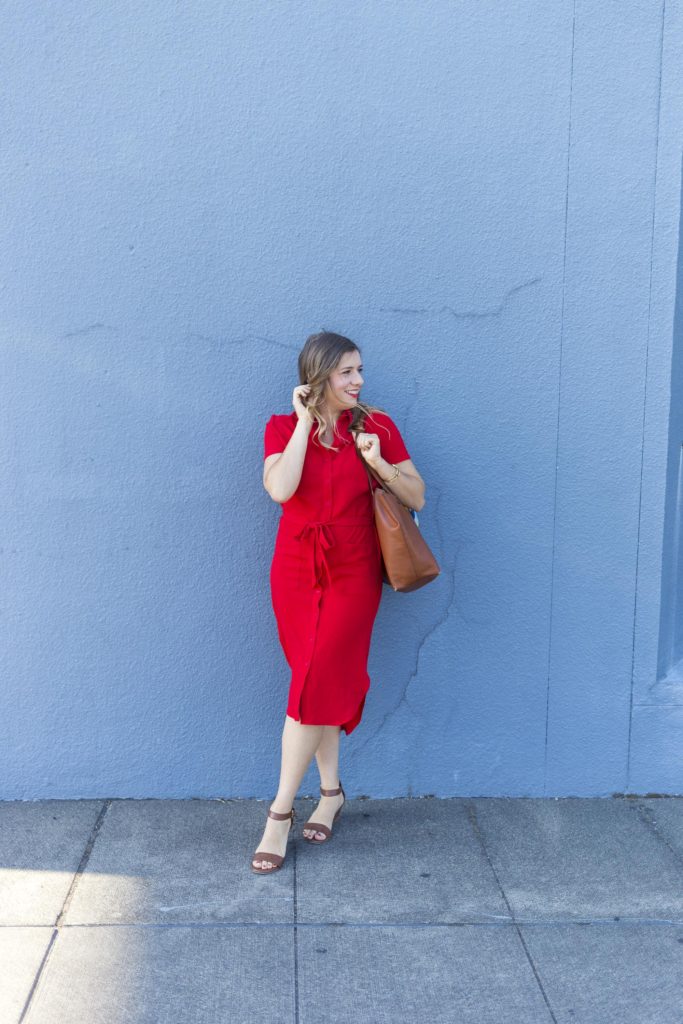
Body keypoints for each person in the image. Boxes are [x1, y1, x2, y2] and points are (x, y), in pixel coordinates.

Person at [251, 331, 426, 873]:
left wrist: (379, 465)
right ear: (318, 377)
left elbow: (417, 495)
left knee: (313, 681)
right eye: (347, 372)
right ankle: (331, 791)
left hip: (353, 568)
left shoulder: (377, 426)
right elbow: (281, 489)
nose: (358, 381)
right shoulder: (282, 427)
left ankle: (278, 813)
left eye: (360, 370)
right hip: (297, 568)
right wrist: (305, 422)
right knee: (316, 677)